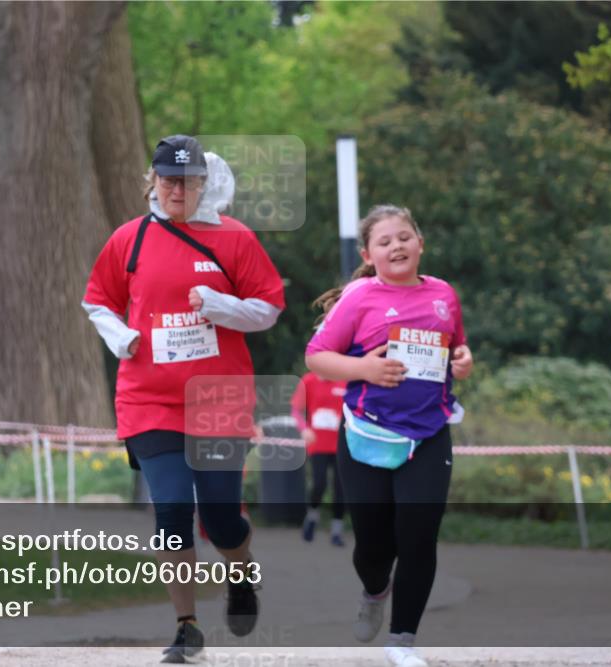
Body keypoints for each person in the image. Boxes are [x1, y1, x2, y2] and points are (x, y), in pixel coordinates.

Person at [83, 135, 285, 663]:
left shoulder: (235, 238)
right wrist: (120, 337)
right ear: (152, 181)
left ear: (204, 183)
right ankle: (186, 625)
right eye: (168, 179)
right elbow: (97, 299)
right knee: (171, 512)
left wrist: (221, 306)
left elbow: (267, 309)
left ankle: (241, 573)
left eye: (189, 180)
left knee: (219, 518)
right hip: (149, 400)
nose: (178, 189)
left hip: (219, 399)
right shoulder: (129, 239)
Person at [305, 204, 473, 667]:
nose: (397, 245)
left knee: (418, 536)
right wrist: (365, 368)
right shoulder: (360, 296)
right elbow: (317, 357)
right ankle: (375, 589)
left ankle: (402, 640)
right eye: (385, 241)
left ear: (420, 243)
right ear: (369, 253)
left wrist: (463, 360)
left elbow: (456, 346)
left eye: (404, 236)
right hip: (367, 435)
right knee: (374, 544)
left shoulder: (444, 294)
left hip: (430, 433)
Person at [290, 370, 347, 546]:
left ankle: (337, 531)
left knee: (341, 487)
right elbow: (296, 411)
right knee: (319, 483)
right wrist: (304, 429)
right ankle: (312, 517)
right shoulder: (309, 380)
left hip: (342, 444)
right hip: (318, 443)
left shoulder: (346, 380)